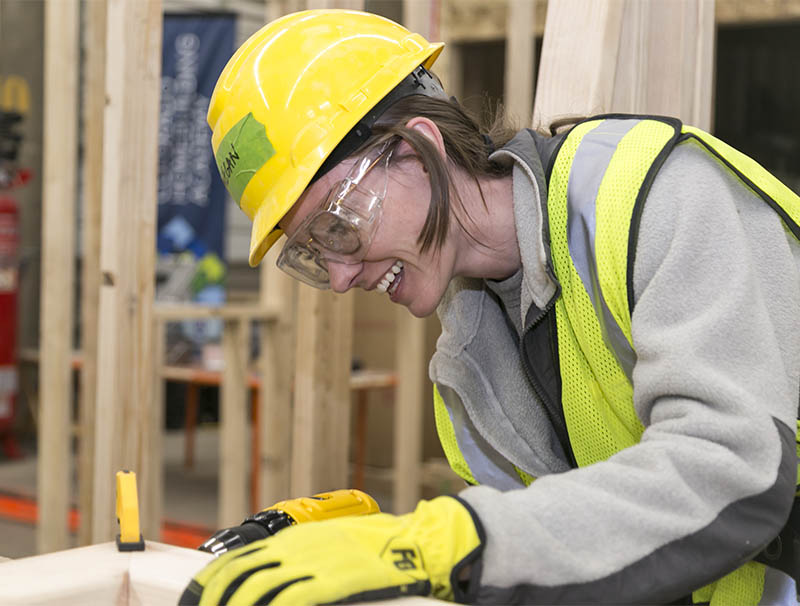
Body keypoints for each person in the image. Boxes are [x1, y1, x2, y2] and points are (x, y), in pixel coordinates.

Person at [181, 9, 800, 606]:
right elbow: (554, 548)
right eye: (314, 252)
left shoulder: (652, 193)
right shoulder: (471, 369)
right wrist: (377, 541)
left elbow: (736, 466)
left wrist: (445, 544)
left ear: (417, 149)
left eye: (336, 227)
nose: (340, 277)